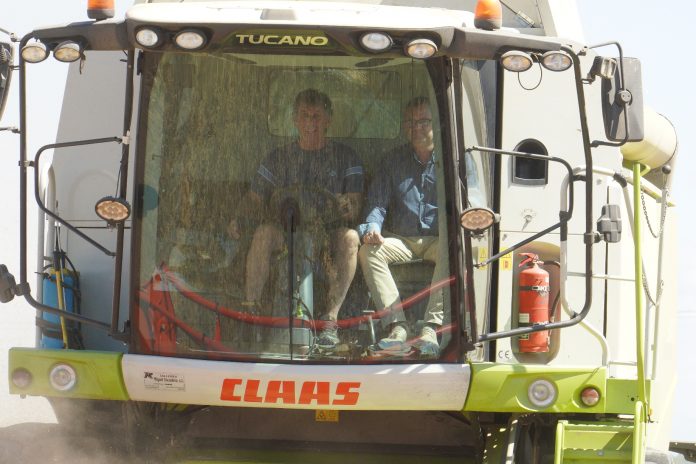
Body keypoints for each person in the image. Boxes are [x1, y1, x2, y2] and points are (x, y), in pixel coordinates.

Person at [229, 89, 363, 351]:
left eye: (317, 116)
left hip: (328, 234)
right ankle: (251, 312)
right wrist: (237, 218)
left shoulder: (347, 157)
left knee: (351, 238)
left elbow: (355, 203)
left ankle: (330, 319)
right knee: (264, 233)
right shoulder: (277, 158)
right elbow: (254, 197)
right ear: (295, 120)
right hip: (285, 233)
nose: (311, 123)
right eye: (304, 116)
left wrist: (348, 205)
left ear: (328, 120)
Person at [357, 96, 445, 358]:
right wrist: (372, 228)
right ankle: (397, 327)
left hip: (439, 239)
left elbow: (472, 199)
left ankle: (431, 328)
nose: (416, 127)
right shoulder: (392, 160)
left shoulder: (453, 159)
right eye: (410, 122)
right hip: (401, 240)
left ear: (436, 124)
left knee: (456, 250)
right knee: (367, 251)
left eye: (423, 122)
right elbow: (377, 202)